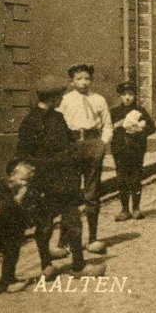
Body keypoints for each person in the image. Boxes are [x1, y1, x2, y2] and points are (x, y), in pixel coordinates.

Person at [16, 76, 105, 282]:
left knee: (65, 221)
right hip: (48, 181)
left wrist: (72, 154)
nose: (62, 99)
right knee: (52, 223)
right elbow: (23, 155)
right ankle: (54, 265)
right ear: (52, 97)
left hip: (60, 180)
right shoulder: (33, 122)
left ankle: (67, 265)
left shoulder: (54, 117)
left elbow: (69, 143)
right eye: (60, 96)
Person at [57, 64, 112, 255]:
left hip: (92, 144)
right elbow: (59, 125)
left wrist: (102, 145)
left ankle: (93, 238)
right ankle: (64, 241)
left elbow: (107, 125)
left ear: (91, 80)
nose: (83, 82)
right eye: (79, 79)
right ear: (72, 81)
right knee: (70, 193)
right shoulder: (65, 100)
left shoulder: (98, 100)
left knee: (92, 193)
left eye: (87, 78)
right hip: (72, 146)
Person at [110, 82, 155, 221]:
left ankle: (136, 208)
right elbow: (107, 128)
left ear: (135, 95)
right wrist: (117, 124)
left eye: (130, 94)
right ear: (120, 96)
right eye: (124, 94)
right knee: (121, 179)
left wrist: (140, 129)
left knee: (135, 177)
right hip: (120, 150)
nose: (127, 97)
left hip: (136, 150)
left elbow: (152, 127)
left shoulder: (141, 111)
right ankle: (124, 209)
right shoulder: (114, 112)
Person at [0, 160, 33, 293]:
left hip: (7, 222)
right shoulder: (3, 187)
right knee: (11, 249)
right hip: (4, 223)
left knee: (12, 249)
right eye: (23, 180)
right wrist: (20, 196)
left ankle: (9, 279)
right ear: (12, 175)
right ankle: (7, 282)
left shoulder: (7, 186)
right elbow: (8, 207)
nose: (25, 183)